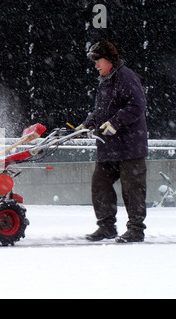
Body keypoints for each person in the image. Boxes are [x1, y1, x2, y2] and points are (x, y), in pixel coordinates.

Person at [76, 41, 148, 243]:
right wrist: (87, 123)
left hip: (129, 147)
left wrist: (116, 122)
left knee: (132, 189)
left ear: (109, 59)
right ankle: (106, 227)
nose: (96, 65)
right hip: (109, 147)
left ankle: (136, 229)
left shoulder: (126, 77)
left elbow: (137, 105)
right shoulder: (106, 80)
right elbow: (103, 110)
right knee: (100, 185)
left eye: (98, 61)